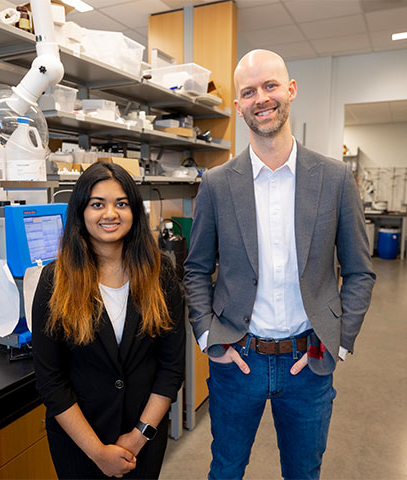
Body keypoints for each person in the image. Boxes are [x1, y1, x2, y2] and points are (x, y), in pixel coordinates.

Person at [184, 49, 376, 480]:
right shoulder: (215, 185)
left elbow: (359, 270)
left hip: (308, 361)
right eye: (248, 92)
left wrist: (338, 341)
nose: (261, 98)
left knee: (304, 473)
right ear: (238, 106)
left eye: (270, 86)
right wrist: (208, 336)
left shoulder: (334, 178)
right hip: (239, 359)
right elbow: (196, 269)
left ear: (290, 90)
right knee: (226, 470)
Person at [33, 162, 185, 479]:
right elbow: (50, 380)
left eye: (121, 203)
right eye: (97, 204)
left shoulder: (161, 275)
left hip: (142, 440)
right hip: (79, 445)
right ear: (81, 212)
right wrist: (97, 452)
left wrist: (138, 435)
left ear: (134, 212)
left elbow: (171, 368)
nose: (110, 214)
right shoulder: (54, 281)